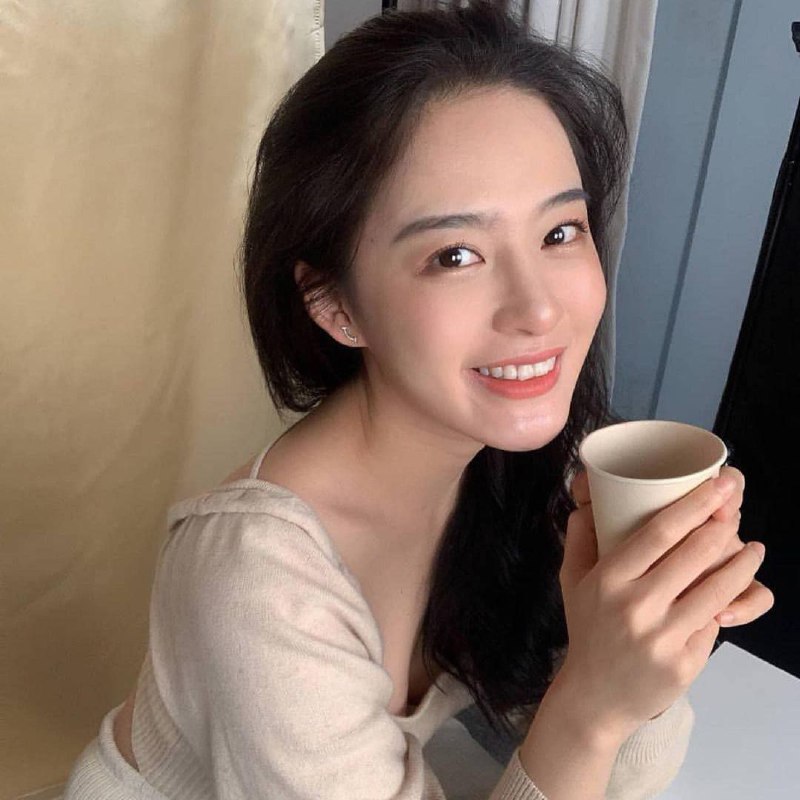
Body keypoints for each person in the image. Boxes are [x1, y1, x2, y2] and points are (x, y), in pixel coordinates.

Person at [64, 2, 773, 798]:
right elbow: (587, 743)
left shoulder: (526, 471)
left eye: (559, 232)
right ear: (334, 303)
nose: (539, 310)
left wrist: (649, 643)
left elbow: (623, 782)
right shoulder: (257, 583)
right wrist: (593, 706)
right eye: (456, 254)